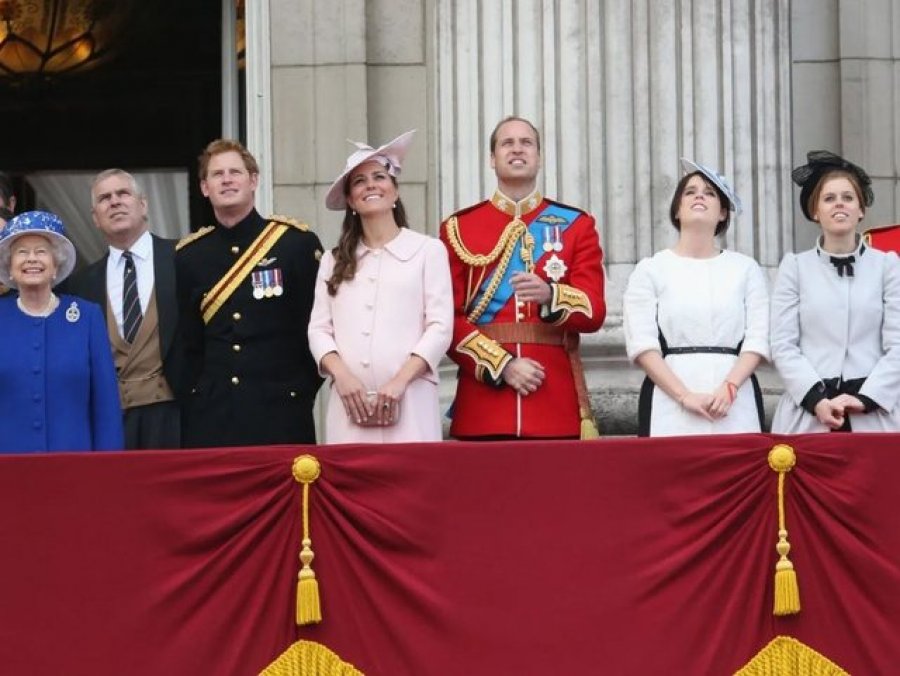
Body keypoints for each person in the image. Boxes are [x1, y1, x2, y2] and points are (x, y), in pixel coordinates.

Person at [439, 116, 606, 439]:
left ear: (539, 157)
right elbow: (447, 318)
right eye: (507, 143)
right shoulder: (458, 228)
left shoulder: (577, 225)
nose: (517, 149)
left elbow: (594, 310)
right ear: (492, 158)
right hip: (484, 399)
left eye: (526, 143)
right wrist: (502, 364)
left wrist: (551, 296)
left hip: (552, 397)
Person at [175, 139, 324, 447]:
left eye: (235, 172)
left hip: (281, 410)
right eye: (217, 174)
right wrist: (196, 394)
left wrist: (298, 390)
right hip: (213, 415)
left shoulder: (295, 244)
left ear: (253, 180)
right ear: (205, 187)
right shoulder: (190, 256)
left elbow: (315, 327)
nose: (226, 179)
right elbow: (188, 342)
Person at [309, 130, 453, 443]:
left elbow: (440, 327)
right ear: (350, 199)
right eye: (359, 181)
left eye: (379, 176)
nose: (371, 185)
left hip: (411, 402)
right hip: (351, 407)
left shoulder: (428, 250)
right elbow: (318, 330)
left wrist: (399, 382)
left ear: (395, 191)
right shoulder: (333, 261)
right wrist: (343, 378)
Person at [623, 159, 769, 437]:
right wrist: (684, 396)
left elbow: (758, 338)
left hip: (735, 398)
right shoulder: (651, 269)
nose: (699, 195)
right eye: (690, 191)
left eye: (710, 192)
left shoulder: (745, 268)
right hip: (670, 399)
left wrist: (729, 388)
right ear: (677, 209)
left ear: (724, 212)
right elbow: (642, 344)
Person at [770, 150, 900, 433]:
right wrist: (816, 399)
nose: (839, 204)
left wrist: (865, 398)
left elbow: (898, 345)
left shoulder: (888, 265)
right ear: (815, 211)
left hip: (875, 418)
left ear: (861, 209)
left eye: (848, 197)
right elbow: (783, 344)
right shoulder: (794, 267)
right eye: (829, 198)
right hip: (809, 416)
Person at [66, 169, 186, 449]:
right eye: (104, 198)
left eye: (123, 193)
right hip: (112, 421)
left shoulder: (184, 258)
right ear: (95, 218)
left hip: (175, 416)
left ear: (143, 205)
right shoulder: (81, 283)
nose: (115, 202)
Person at [0, 211, 123, 452]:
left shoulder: (87, 317)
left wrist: (109, 468)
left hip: (75, 465)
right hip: (7, 467)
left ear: (56, 265)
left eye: (41, 252)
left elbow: (106, 405)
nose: (31, 259)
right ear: (10, 268)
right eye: (22, 252)